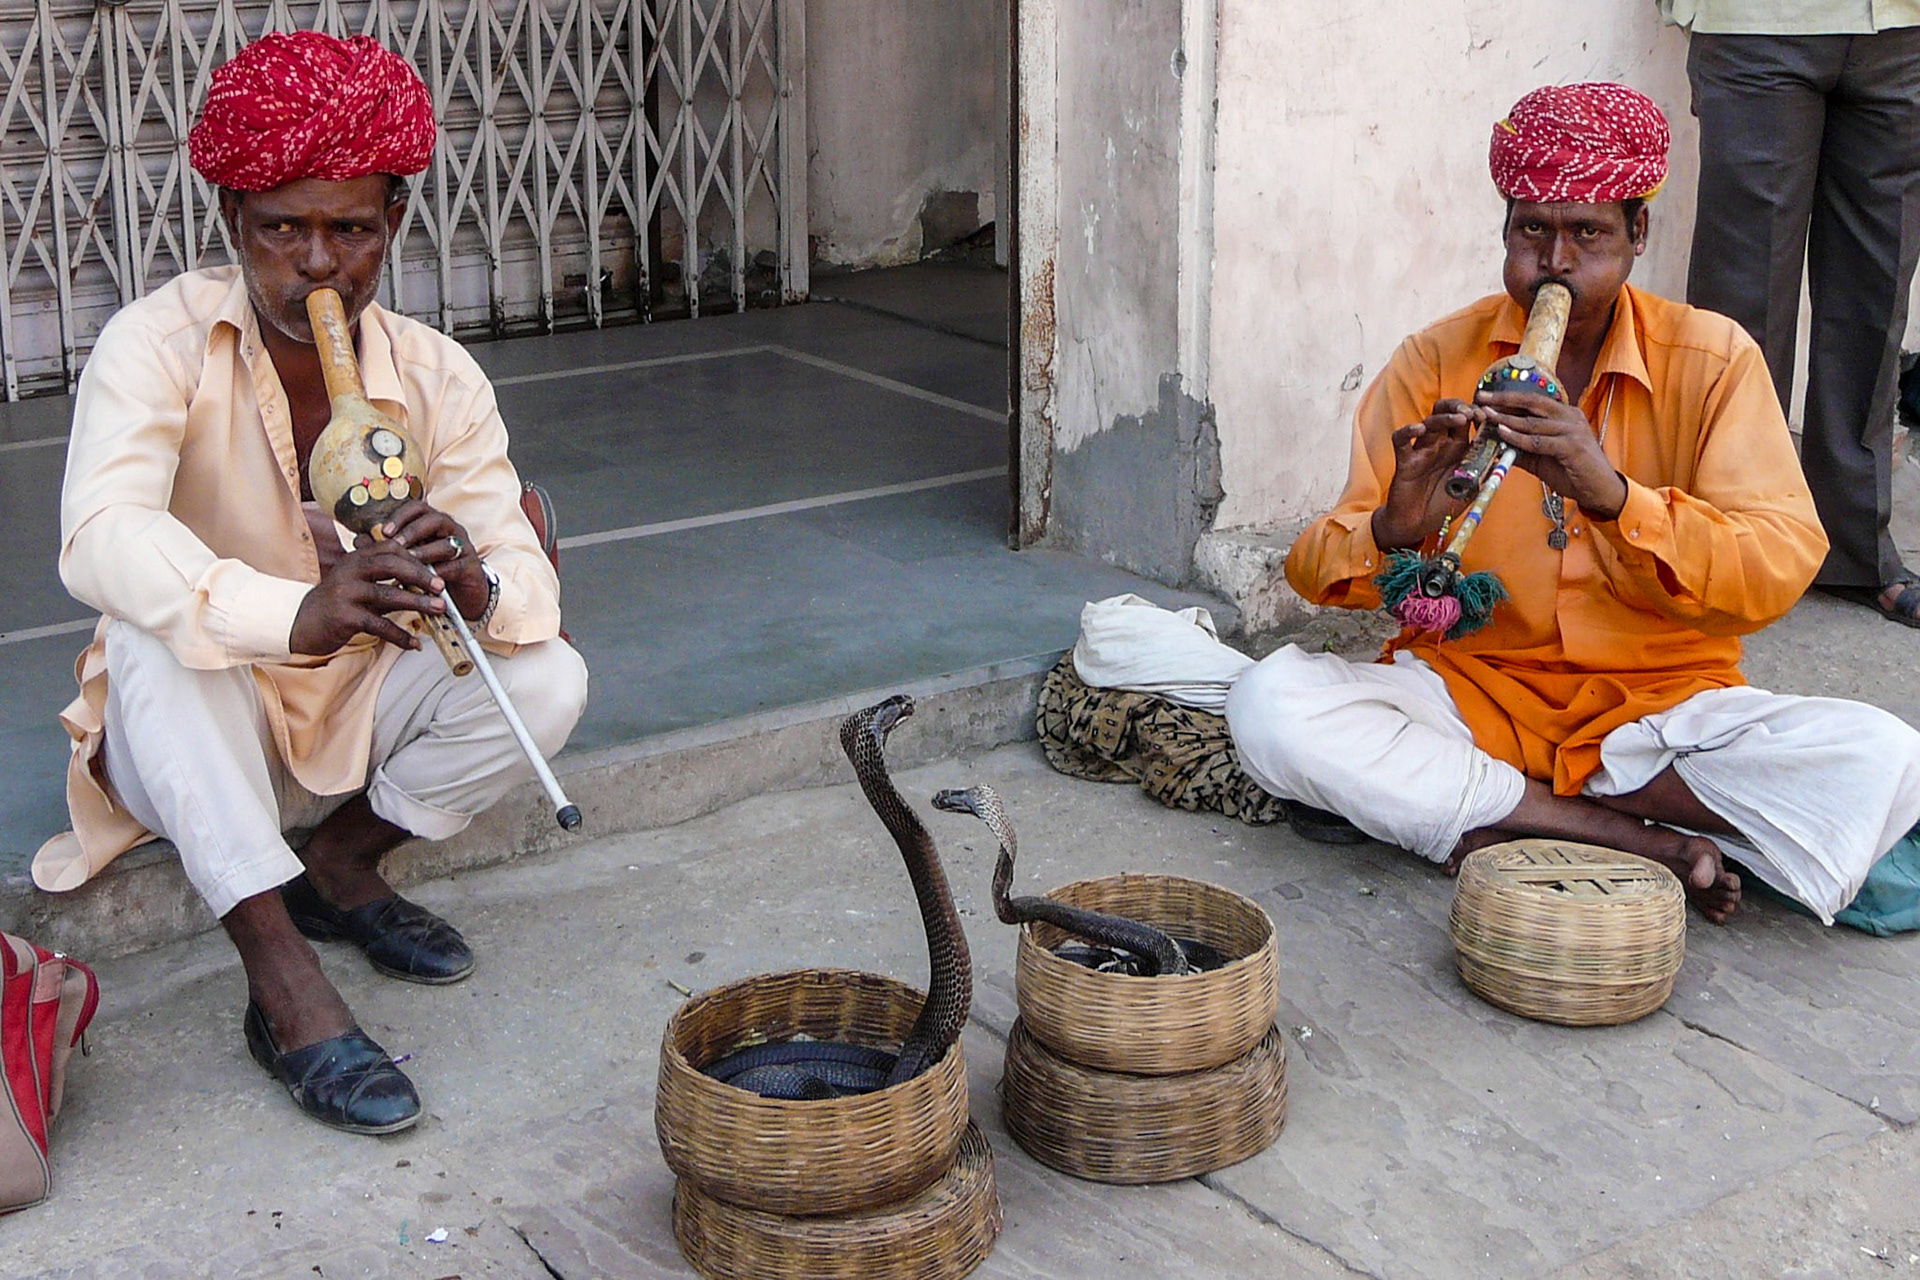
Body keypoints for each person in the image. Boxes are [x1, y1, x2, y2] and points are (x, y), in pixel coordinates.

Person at [33, 31, 589, 1133]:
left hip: (353, 718)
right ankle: (283, 980)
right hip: (204, 720)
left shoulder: (437, 374)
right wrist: (287, 608)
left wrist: (472, 579)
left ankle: (337, 862)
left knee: (546, 680)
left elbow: (516, 565)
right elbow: (97, 532)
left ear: (392, 229)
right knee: (152, 635)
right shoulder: (154, 344)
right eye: (285, 228)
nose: (319, 264)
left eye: (352, 230)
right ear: (234, 223)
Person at [1225, 83, 1920, 927]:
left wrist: (1615, 496)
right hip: (1471, 695)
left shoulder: (1713, 359)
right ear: (1506, 233)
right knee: (1271, 707)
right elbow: (1314, 567)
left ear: (1638, 234)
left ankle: (1497, 816)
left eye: (1587, 232)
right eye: (1532, 230)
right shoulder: (1436, 359)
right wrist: (1396, 524)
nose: (1554, 263)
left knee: (1888, 758)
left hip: (1663, 715)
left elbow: (1778, 563)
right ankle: (1624, 836)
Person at [1663, 2, 1920, 625]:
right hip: (1759, 23)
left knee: (1876, 293)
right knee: (1743, 303)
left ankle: (1854, 549)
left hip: (1902, 29)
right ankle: (1731, 541)